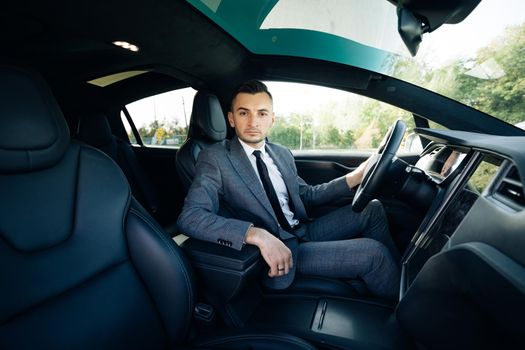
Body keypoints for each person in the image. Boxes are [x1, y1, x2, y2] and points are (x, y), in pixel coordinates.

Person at [177, 80, 400, 300]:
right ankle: (406, 308)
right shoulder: (215, 158)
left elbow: (307, 195)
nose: (253, 121)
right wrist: (255, 234)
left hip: (302, 230)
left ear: (272, 119)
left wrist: (354, 177)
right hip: (279, 250)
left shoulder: (281, 153)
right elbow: (191, 217)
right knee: (373, 254)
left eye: (262, 113)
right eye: (244, 113)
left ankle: (398, 274)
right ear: (231, 119)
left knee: (373, 209)